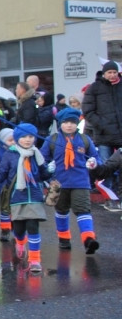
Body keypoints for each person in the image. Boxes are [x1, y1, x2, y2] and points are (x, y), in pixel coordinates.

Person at [0, 124, 50, 273]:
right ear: (17, 138)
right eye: (24, 137)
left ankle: (35, 260)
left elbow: (43, 174)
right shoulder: (10, 154)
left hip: (34, 196)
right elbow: (2, 171)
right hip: (16, 196)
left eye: (31, 137)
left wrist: (51, 171)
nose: (27, 140)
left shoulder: (37, 154)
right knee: (19, 229)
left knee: (33, 227)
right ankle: (20, 243)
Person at [40, 107, 101, 253]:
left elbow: (96, 157)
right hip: (59, 183)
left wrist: (93, 162)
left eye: (73, 122)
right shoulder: (52, 140)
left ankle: (88, 239)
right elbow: (41, 159)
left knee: (83, 210)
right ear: (60, 123)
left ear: (77, 123)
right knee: (61, 210)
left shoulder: (85, 140)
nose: (69, 125)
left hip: (80, 182)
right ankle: (64, 238)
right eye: (66, 122)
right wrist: (47, 168)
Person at [82, 61, 122, 208]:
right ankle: (109, 198)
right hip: (104, 135)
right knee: (106, 168)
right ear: (104, 73)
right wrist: (101, 124)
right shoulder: (95, 88)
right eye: (109, 72)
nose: (112, 75)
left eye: (114, 72)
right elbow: (88, 110)